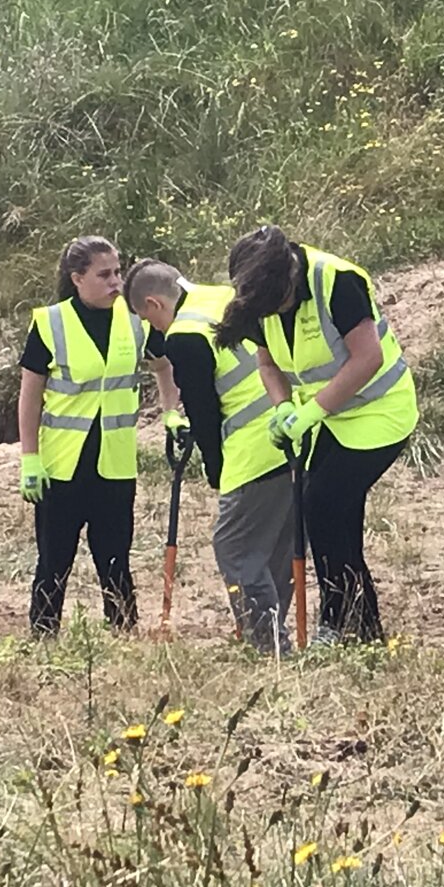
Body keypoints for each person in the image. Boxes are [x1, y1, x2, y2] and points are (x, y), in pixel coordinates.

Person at [213, 225, 417, 645]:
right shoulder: (259, 297)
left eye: (281, 303)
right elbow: (268, 365)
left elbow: (368, 358)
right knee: (332, 517)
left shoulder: (338, 283)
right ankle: (362, 628)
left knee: (321, 505)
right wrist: (284, 406)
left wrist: (311, 412)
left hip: (381, 413)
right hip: (331, 416)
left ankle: (338, 622)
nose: (277, 312)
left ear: (289, 275)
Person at [124, 258, 294, 655]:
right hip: (293, 430)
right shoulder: (220, 295)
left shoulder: (183, 334)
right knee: (275, 544)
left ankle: (265, 644)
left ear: (153, 305)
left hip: (254, 449)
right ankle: (273, 630)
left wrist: (215, 470)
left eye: (146, 319)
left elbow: (203, 410)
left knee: (234, 547)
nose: (153, 330)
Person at [17, 235, 143, 637]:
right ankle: (44, 636)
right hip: (62, 465)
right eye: (104, 274)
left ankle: (124, 634)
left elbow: (162, 364)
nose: (116, 282)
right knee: (54, 560)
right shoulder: (51, 322)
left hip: (116, 463)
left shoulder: (134, 316)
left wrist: (172, 411)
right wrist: (29, 459)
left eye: (118, 272)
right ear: (77, 278)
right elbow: (30, 396)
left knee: (115, 559)